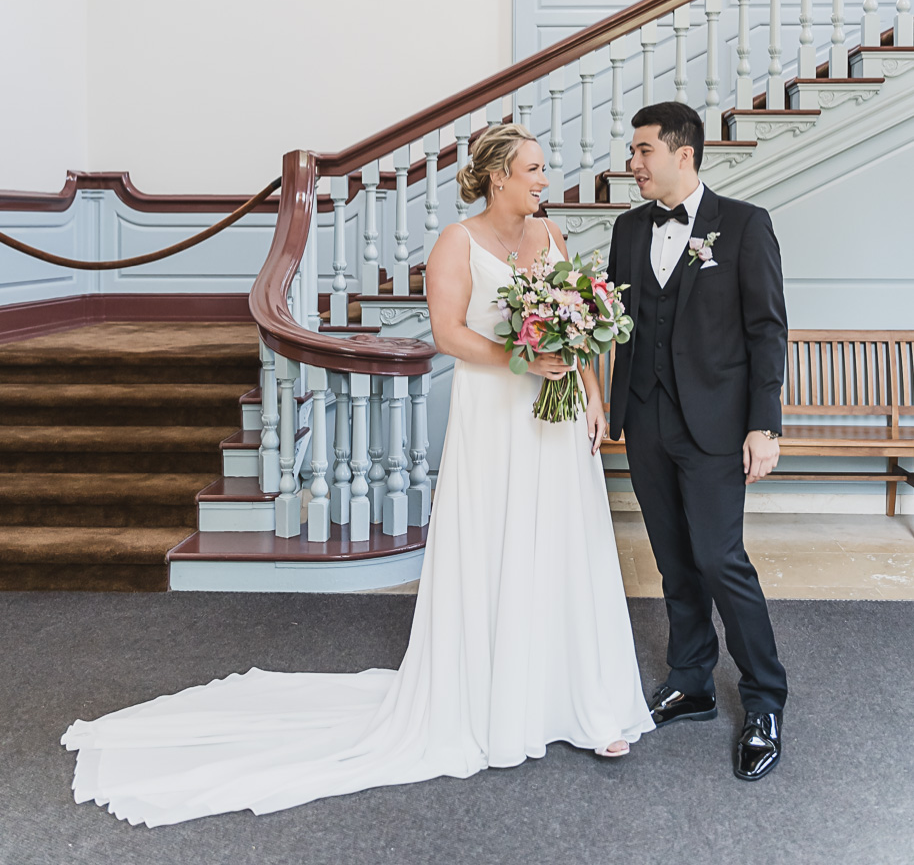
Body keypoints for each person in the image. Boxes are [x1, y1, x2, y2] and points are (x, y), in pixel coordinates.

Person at [61, 123, 652, 827]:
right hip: (496, 412)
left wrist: (588, 391)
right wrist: (521, 362)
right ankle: (497, 701)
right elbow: (451, 334)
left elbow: (578, 322)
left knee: (563, 547)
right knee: (498, 544)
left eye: (543, 170)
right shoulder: (456, 244)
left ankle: (582, 700)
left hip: (552, 420)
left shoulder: (550, 237)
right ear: (498, 176)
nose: (544, 180)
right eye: (533, 169)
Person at [606, 101, 788, 782]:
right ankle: (693, 679)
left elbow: (768, 328)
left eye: (642, 151)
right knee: (675, 560)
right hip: (646, 420)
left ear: (683, 153)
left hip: (715, 424)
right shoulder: (628, 229)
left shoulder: (743, 225)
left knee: (720, 559)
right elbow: (616, 320)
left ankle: (766, 699)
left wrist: (762, 424)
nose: (632, 164)